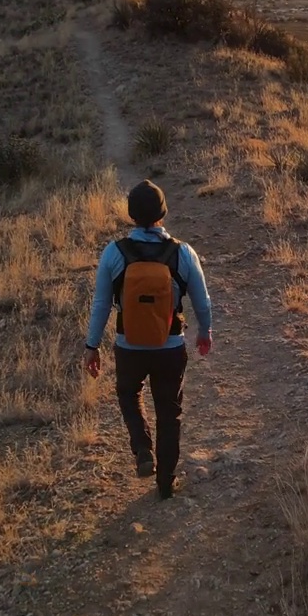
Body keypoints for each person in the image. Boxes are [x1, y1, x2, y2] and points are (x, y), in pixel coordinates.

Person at [83, 180, 213, 500]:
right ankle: (166, 483)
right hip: (170, 346)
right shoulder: (182, 252)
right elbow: (203, 301)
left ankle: (142, 449)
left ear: (131, 215)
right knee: (169, 411)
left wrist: (92, 345)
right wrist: (204, 332)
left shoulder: (115, 253)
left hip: (129, 346)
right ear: (163, 212)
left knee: (129, 393)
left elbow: (101, 304)